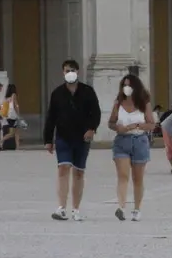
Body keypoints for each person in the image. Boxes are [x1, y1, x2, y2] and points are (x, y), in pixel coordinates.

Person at [44, 59, 101, 221]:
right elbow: (51, 117)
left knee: (78, 172)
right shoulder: (57, 93)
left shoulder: (88, 91)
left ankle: (76, 209)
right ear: (63, 73)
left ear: (78, 72)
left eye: (73, 70)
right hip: (63, 137)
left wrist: (91, 129)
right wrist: (48, 139)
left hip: (82, 138)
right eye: (67, 70)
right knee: (63, 168)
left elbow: (95, 113)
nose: (70, 72)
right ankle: (61, 207)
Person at [108, 74, 155, 222]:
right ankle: (121, 207)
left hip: (139, 140)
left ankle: (137, 208)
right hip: (122, 141)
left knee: (137, 178)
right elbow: (111, 122)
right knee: (123, 175)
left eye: (129, 85)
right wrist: (118, 128)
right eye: (124, 85)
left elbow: (151, 124)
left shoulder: (144, 103)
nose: (126, 88)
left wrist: (137, 125)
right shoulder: (118, 103)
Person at [0, 83, 21, 150]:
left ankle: (17, 147)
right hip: (14, 116)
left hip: (9, 116)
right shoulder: (13, 95)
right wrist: (18, 114)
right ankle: (0, 142)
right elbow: (15, 105)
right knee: (12, 133)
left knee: (16, 132)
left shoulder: (6, 97)